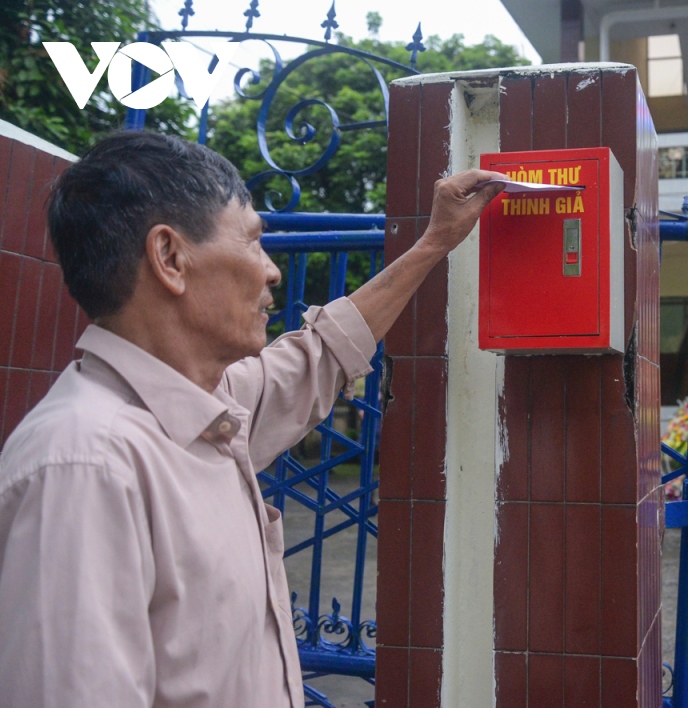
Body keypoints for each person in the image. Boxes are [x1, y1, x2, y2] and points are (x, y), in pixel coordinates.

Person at [0, 131, 505, 707]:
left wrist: (435, 243)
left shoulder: (208, 407)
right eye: (253, 243)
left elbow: (317, 358)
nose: (272, 272)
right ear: (170, 258)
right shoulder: (83, 467)